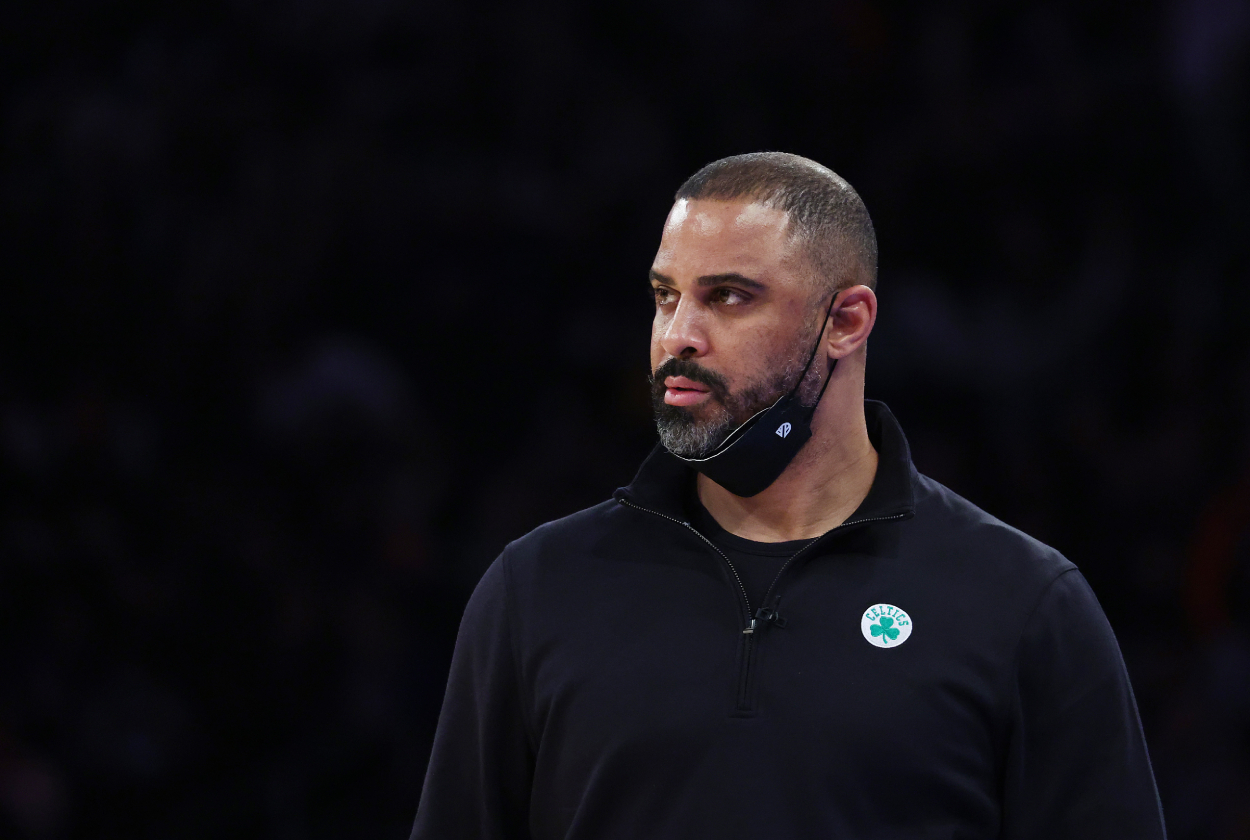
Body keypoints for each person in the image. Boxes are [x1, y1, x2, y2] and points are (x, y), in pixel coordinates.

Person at [409, 153, 1166, 839]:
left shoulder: (1023, 604)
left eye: (729, 297)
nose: (679, 335)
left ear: (845, 321)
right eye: (665, 296)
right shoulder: (536, 589)